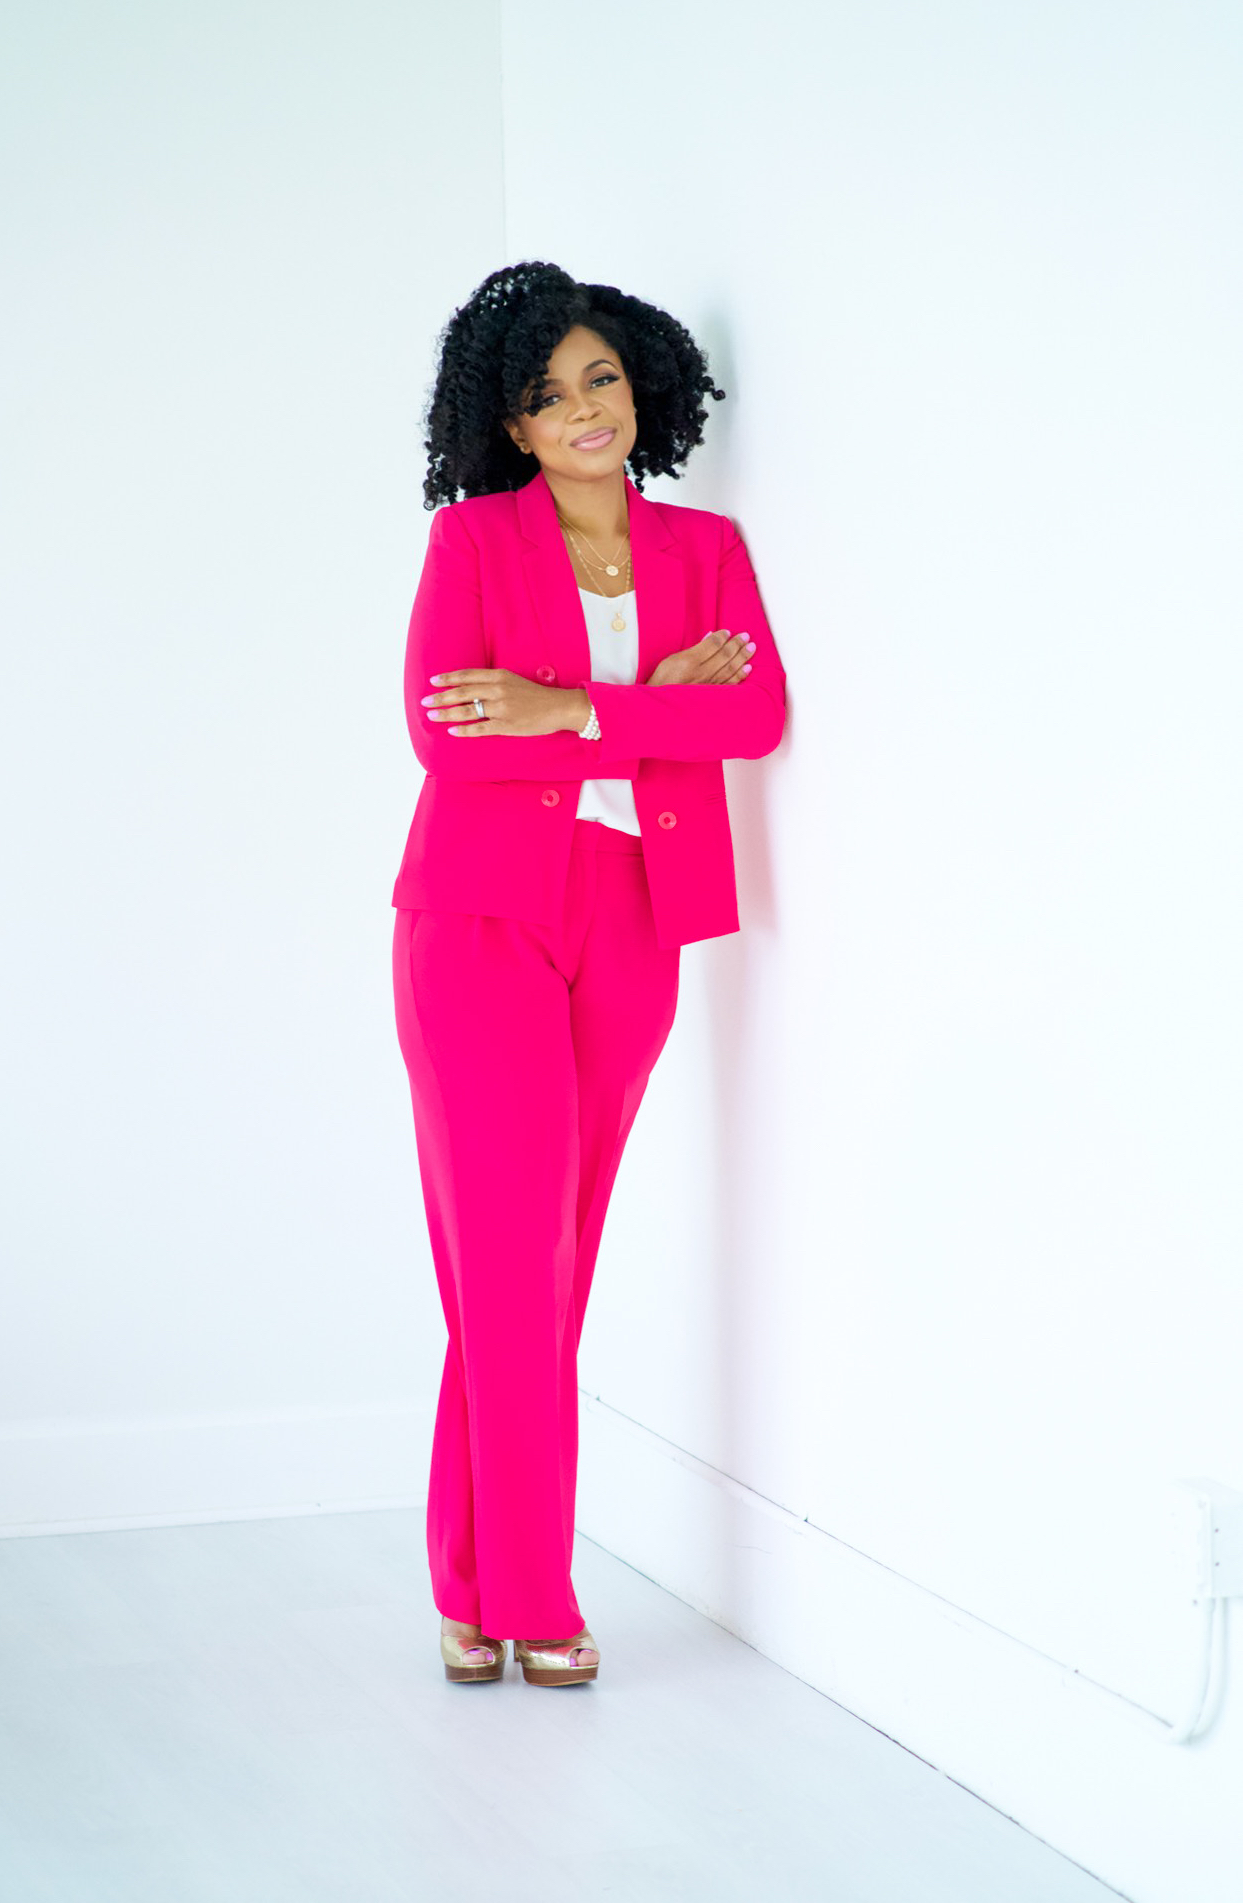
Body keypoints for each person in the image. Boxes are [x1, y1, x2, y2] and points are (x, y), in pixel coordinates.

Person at [391, 261, 787, 1686]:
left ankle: (466, 1570)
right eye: (548, 395)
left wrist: (565, 707)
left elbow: (750, 714)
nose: (583, 412)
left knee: (547, 1264)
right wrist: (643, 712)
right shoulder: (473, 547)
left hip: (633, 910)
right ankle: (532, 1595)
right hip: (481, 918)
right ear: (507, 423)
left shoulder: (706, 549)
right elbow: (450, 740)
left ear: (644, 386)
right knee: (507, 1257)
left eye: (601, 380)